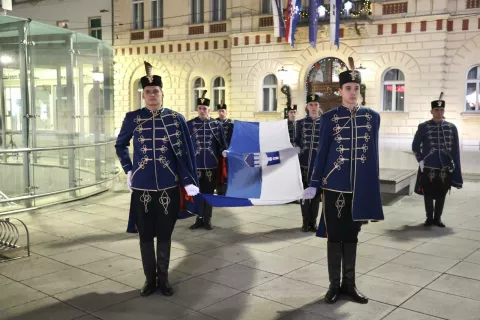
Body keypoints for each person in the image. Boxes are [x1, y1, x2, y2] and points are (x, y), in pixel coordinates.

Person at [303, 57, 384, 304]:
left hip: (358, 189)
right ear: (340, 91)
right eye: (348, 88)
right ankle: (333, 286)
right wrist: (313, 184)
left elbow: (373, 155)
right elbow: (321, 153)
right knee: (335, 235)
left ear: (360, 90)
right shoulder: (328, 119)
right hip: (333, 187)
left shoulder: (372, 117)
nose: (352, 92)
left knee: (352, 236)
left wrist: (372, 187)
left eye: (356, 88)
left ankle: (350, 285)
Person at [115, 62, 199, 297]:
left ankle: (163, 279)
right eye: (148, 92)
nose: (152, 95)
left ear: (162, 94)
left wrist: (189, 180)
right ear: (143, 95)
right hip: (141, 187)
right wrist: (128, 169)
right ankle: (148, 280)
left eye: (156, 91)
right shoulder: (133, 118)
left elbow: (185, 153)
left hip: (168, 187)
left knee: (164, 235)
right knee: (144, 236)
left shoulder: (175, 119)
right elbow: (120, 144)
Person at [412, 93, 463, 227]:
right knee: (428, 193)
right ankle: (429, 218)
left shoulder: (451, 128)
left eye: (441, 110)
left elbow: (455, 149)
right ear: (431, 111)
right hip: (429, 166)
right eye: (436, 110)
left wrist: (455, 165)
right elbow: (415, 146)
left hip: (444, 167)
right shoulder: (423, 126)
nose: (439, 112)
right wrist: (421, 160)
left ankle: (438, 218)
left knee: (442, 193)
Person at [187, 90, 227, 230]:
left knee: (209, 193)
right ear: (197, 109)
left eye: (205, 108)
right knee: (197, 193)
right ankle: (198, 219)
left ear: (209, 110)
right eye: (200, 108)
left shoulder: (217, 125)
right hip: (196, 166)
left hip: (212, 165)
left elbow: (223, 144)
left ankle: (208, 219)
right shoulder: (190, 125)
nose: (202, 110)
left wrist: (225, 151)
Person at [295, 96, 322, 232]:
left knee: (316, 196)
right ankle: (305, 222)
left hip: (318, 166)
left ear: (318, 106)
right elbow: (296, 140)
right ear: (307, 107)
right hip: (303, 164)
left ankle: (314, 222)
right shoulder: (300, 123)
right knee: (304, 194)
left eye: (315, 104)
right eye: (311, 104)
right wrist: (297, 147)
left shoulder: (325, 122)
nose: (313, 107)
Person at [216, 100, 234, 196]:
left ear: (226, 112)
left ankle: (227, 190)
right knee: (218, 171)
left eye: (223, 111)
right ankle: (219, 190)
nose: (221, 113)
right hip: (217, 152)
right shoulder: (214, 123)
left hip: (228, 152)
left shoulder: (231, 124)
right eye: (220, 111)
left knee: (227, 171)